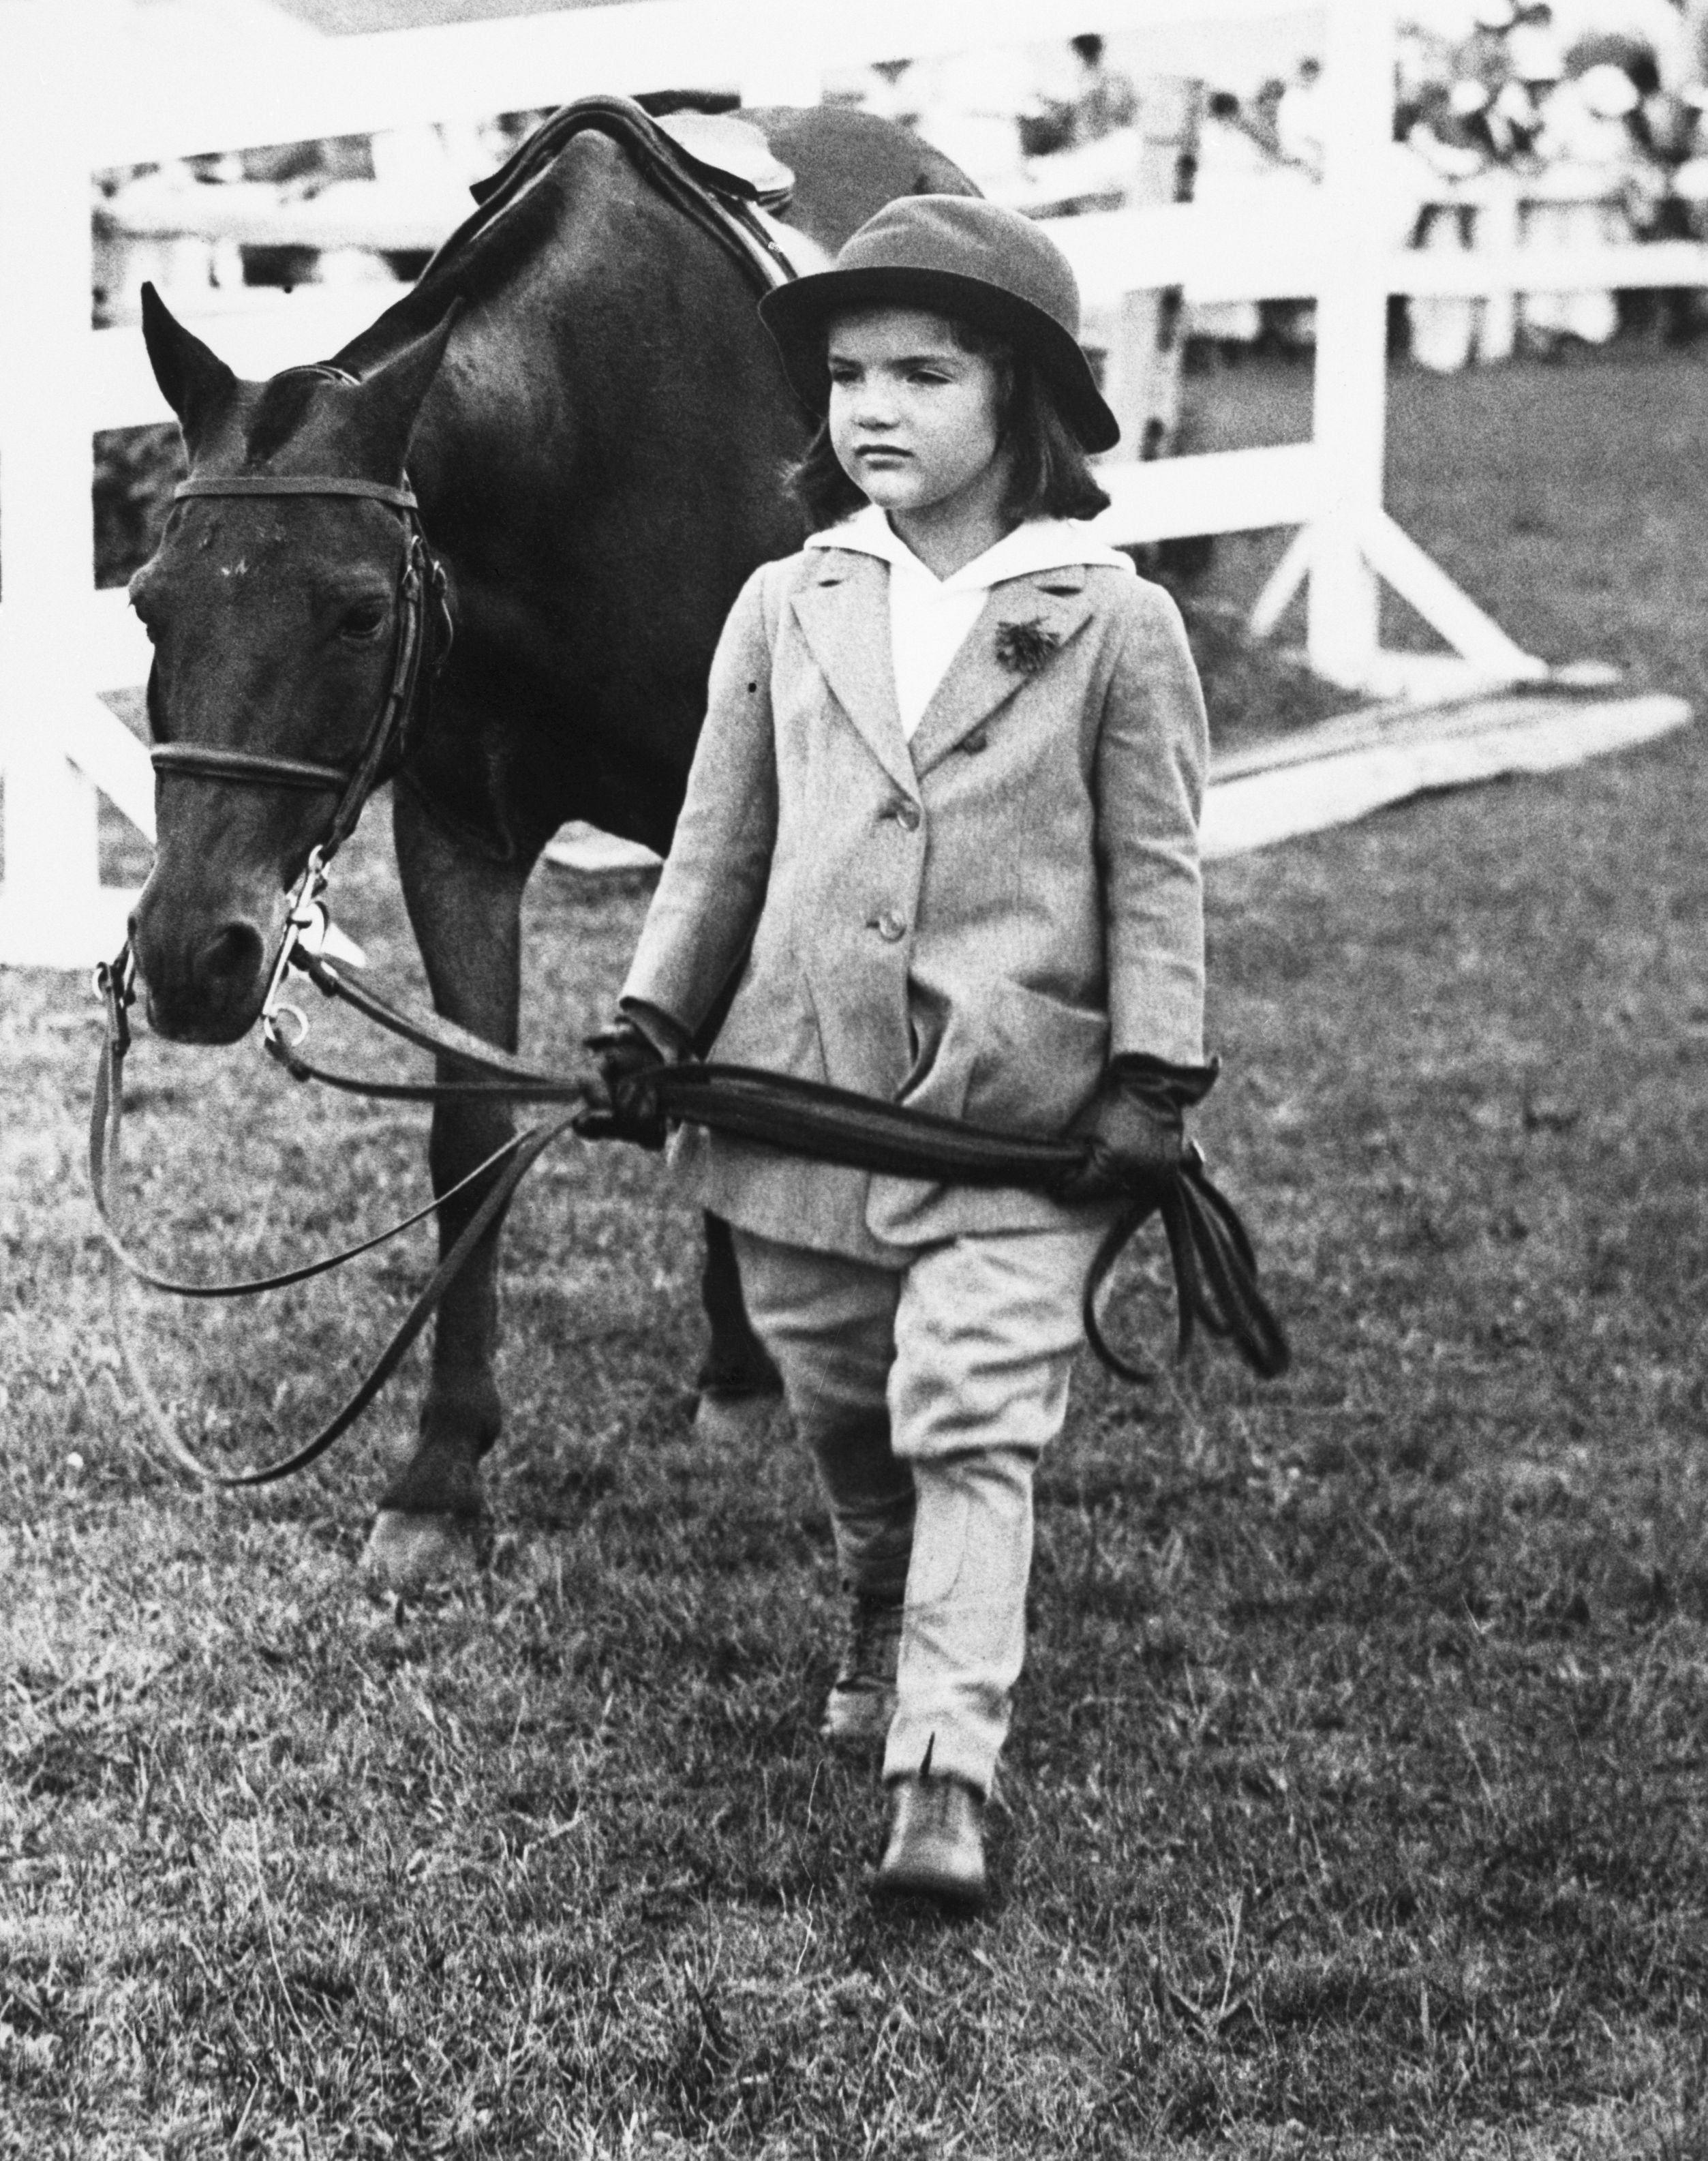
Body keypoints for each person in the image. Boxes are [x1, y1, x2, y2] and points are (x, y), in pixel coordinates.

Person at [586, 197, 1212, 1916]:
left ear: (1020, 400)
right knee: (842, 1391)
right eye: (848, 374)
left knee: (970, 1415)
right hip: (797, 1101)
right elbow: (717, 844)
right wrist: (654, 1016)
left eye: (921, 373)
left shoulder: (1108, 620)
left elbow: (1152, 867)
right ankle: (882, 1591)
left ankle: (940, 1764)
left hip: (1019, 1119)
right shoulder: (788, 604)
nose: (872, 407)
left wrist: (1154, 1073)